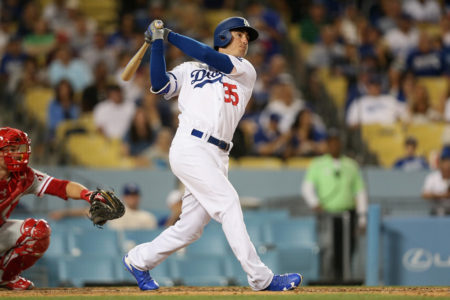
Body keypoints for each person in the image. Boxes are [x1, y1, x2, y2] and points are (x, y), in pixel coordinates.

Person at [123, 18, 302, 292]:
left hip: (219, 155)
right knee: (228, 202)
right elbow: (159, 84)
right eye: (239, 34)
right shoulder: (189, 69)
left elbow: (207, 55)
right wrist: (157, 44)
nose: (245, 40)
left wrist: (167, 34)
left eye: (247, 36)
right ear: (222, 37)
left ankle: (139, 260)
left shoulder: (245, 70)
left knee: (191, 228)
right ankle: (261, 278)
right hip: (190, 146)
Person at [0, 127, 107, 290]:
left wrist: (88, 194)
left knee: (39, 230)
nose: (17, 154)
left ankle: (5, 278)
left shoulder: (24, 176)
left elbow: (61, 186)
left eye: (17, 149)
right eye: (11, 150)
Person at [301, 129, 368, 282]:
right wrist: (314, 203)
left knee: (349, 247)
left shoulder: (351, 165)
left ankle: (346, 277)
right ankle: (330, 277)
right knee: (330, 247)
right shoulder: (318, 164)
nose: (334, 146)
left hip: (348, 213)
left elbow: (360, 192)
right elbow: (307, 187)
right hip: (328, 214)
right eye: (331, 142)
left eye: (337, 142)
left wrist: (362, 217)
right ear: (327, 145)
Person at [49, 183, 158, 231]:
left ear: (139, 197)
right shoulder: (114, 211)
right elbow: (87, 211)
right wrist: (64, 213)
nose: (132, 198)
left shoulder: (148, 217)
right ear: (124, 197)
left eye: (134, 195)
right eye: (129, 195)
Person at [422, 146, 450, 216]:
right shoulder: (432, 177)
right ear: (440, 163)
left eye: (448, 161)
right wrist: (441, 195)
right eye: (444, 161)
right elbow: (425, 195)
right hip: (435, 213)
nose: (447, 165)